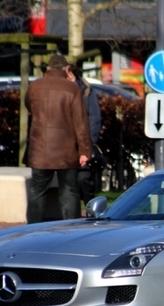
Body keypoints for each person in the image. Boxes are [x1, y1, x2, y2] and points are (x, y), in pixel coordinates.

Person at [24, 54, 92, 223]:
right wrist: (84, 151)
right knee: (69, 190)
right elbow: (80, 122)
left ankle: (31, 229)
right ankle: (71, 227)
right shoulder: (72, 89)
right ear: (66, 69)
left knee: (37, 191)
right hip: (66, 150)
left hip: (39, 150)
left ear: (47, 68)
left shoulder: (35, 86)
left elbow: (28, 106)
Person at [65, 63, 103, 209]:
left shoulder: (86, 91)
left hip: (83, 143)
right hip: (66, 144)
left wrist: (90, 142)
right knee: (69, 183)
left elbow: (94, 118)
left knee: (84, 179)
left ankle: (91, 210)